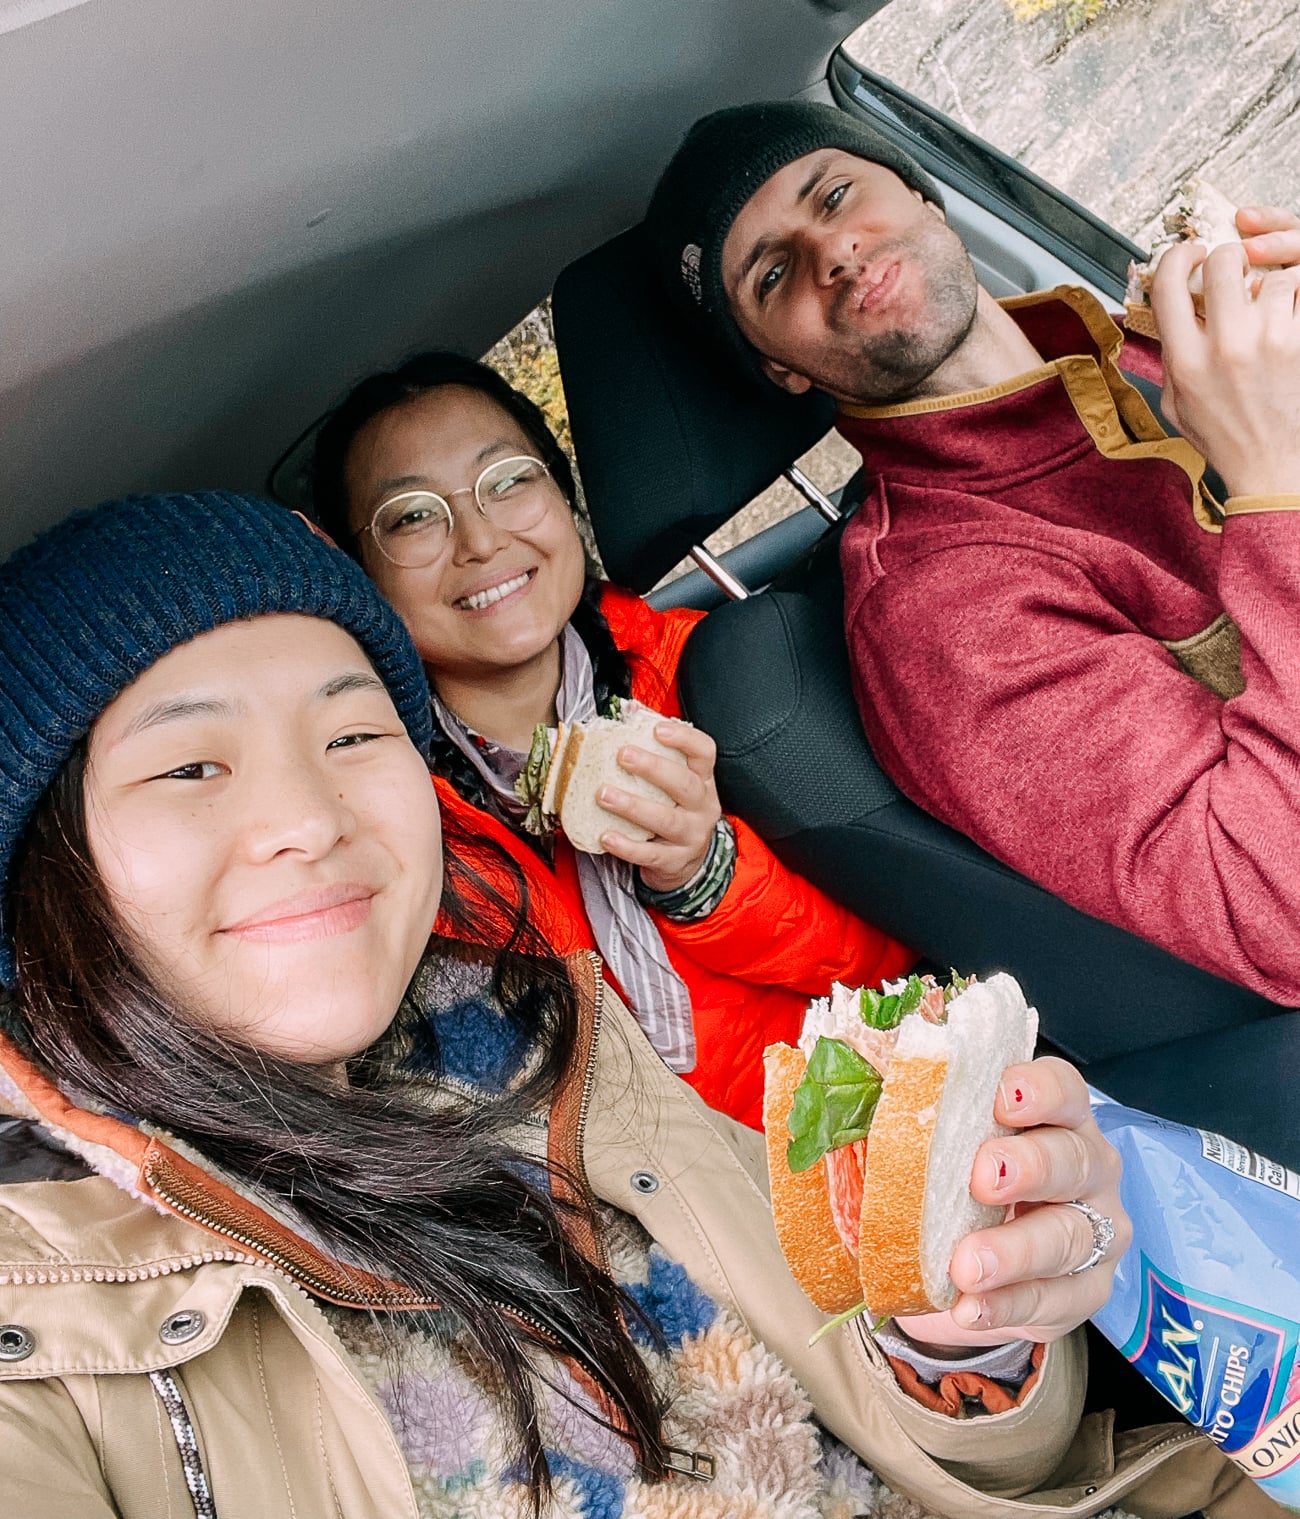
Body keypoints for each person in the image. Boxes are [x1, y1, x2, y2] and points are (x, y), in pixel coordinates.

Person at [0, 489, 1220, 1519]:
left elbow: (953, 1437)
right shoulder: (40, 1322)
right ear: (36, 864)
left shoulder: (546, 1035)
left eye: (355, 735)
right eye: (191, 765)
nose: (311, 822)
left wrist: (965, 1338)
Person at [644, 99, 1300, 1011]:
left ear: (925, 197)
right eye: (773, 276)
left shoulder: (1170, 348)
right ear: (780, 368)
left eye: (835, 194)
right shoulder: (939, 606)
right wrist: (1277, 476)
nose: (831, 253)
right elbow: (1278, 905)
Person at [310, 353, 913, 1128]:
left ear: (562, 497)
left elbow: (896, 954)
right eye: (413, 515)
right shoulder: (380, 829)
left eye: (507, 481)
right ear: (361, 573)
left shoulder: (734, 681)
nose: (482, 541)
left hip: (854, 1127)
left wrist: (705, 873)